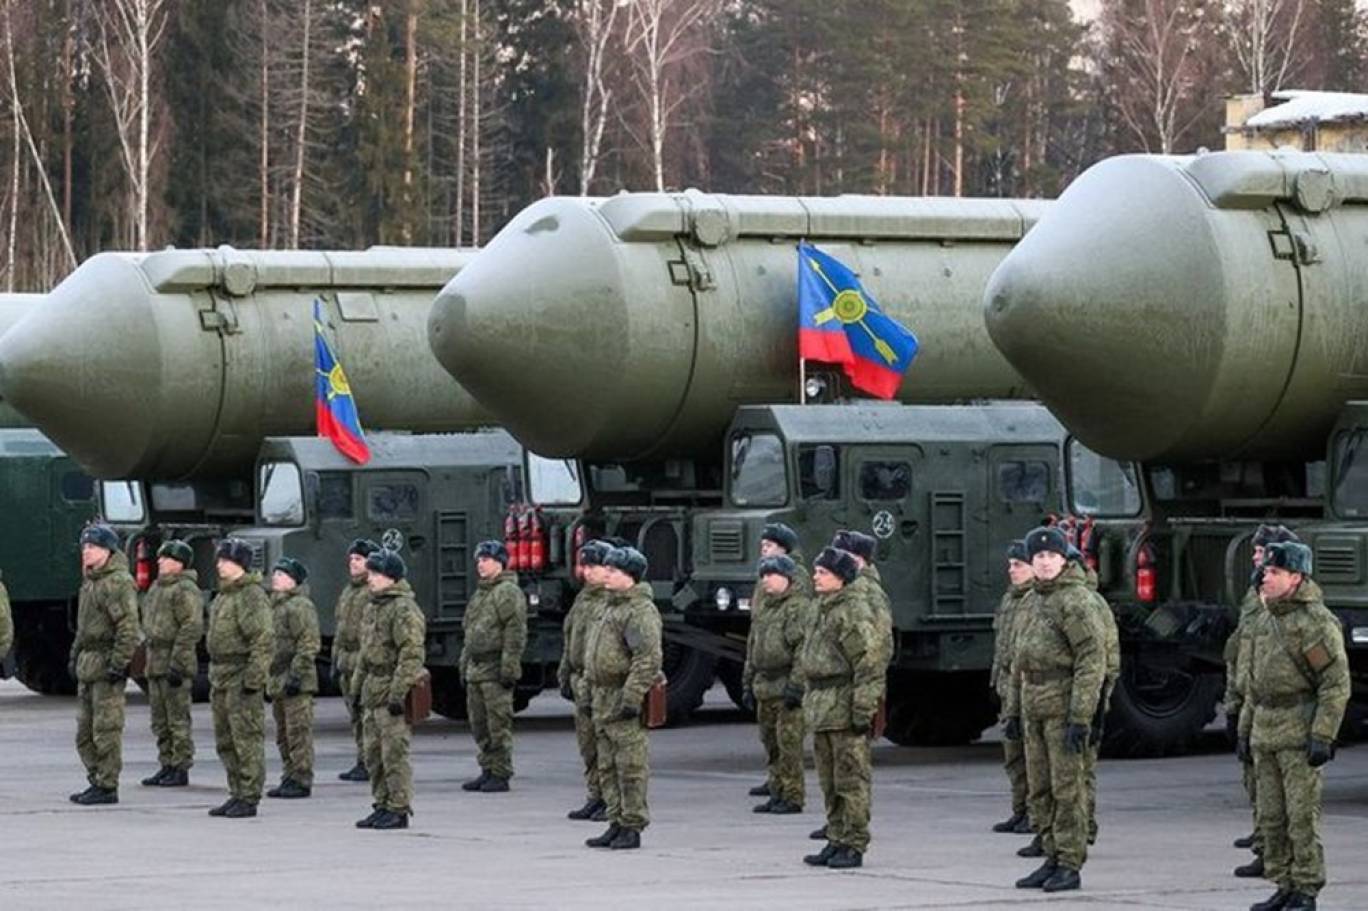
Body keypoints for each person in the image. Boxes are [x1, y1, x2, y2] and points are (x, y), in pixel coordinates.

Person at [1239, 541, 1349, 911]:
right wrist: (1245, 730)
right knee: (1271, 817)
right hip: (1265, 730)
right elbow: (1254, 683)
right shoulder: (1264, 618)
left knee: (1301, 817)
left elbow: (1334, 683)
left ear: (1296, 578)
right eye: (1266, 571)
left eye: (1275, 572)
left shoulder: (1313, 623)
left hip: (1297, 732)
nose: (1265, 577)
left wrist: (1323, 734)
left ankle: (1306, 888)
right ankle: (1284, 883)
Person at [1009, 526, 1104, 893]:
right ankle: (1050, 854)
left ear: (1064, 560)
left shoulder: (1075, 601)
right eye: (1039, 556)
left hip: (1062, 704)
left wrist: (1081, 716)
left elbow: (1090, 660)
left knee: (1067, 789)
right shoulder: (1030, 601)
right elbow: (1019, 661)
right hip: (1033, 703)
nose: (1045, 562)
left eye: (1051, 556)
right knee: (1040, 788)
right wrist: (1014, 712)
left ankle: (1069, 862)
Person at [798, 547, 883, 870]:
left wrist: (862, 709)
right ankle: (836, 837)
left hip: (843, 703)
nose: (816, 577)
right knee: (829, 781)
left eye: (823, 572)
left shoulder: (852, 612)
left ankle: (854, 842)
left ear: (841, 577)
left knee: (851, 779)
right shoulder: (820, 608)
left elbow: (868, 663)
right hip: (822, 706)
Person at [1229, 524, 1299, 877]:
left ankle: (1273, 851)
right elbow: (1243, 645)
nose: (1256, 558)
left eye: (1262, 552)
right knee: (1255, 777)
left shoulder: (1289, 603)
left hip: (1277, 705)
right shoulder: (1255, 592)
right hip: (1250, 693)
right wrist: (1234, 697)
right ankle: (1264, 840)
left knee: (1277, 788)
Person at [583, 545, 662, 851]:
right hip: (602, 694)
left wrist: (632, 697)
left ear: (630, 576)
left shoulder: (638, 611)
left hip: (621, 693)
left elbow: (647, 658)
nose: (607, 574)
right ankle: (615, 820)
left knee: (630, 766)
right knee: (607, 764)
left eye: (613, 570)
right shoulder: (608, 607)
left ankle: (632, 824)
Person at [353, 548, 426, 831]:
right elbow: (365, 652)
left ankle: (398, 807)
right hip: (373, 688)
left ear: (391, 577)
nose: (369, 578)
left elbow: (411, 653)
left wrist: (398, 693)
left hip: (390, 687)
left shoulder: (403, 609)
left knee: (394, 753)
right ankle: (381, 803)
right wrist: (358, 686)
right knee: (373, 754)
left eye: (376, 573)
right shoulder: (373, 607)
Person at [68, 524, 140, 806]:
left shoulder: (117, 583)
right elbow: (84, 628)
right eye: (84, 547)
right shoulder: (91, 582)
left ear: (108, 551)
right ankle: (96, 778)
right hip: (89, 664)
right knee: (84, 733)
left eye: (93, 547)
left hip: (106, 663)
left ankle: (108, 784)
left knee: (106, 730)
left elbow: (127, 626)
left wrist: (119, 663)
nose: (86, 552)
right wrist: (75, 656)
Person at [205, 538, 272, 819]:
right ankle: (236, 792)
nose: (220, 566)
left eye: (226, 561)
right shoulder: (224, 595)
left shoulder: (250, 595)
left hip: (240, 674)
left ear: (240, 564)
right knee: (226, 739)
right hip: (221, 675)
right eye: (219, 560)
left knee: (246, 738)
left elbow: (262, 639)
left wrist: (253, 679)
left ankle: (249, 795)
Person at [741, 553, 812, 814]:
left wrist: (797, 685)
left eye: (772, 575)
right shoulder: (765, 609)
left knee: (788, 745)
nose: (766, 580)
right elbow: (752, 648)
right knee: (771, 743)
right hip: (765, 685)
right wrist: (748, 682)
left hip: (785, 685)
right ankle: (776, 790)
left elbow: (802, 650)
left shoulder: (796, 609)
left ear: (787, 578)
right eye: (764, 575)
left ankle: (793, 795)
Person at [458, 540, 529, 793]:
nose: (480, 564)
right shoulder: (482, 593)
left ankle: (500, 772)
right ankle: (487, 768)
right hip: (477, 669)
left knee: (498, 724)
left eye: (486, 560)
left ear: (500, 562)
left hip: (494, 668)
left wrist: (509, 667)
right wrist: (464, 663)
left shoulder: (507, 592)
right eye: (479, 560)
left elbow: (515, 632)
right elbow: (470, 632)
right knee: (480, 724)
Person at [139, 540, 203, 788]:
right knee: (160, 719)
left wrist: (178, 662)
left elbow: (191, 627)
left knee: (177, 718)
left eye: (166, 558)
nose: (160, 562)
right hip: (155, 660)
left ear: (180, 563)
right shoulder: (157, 588)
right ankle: (166, 763)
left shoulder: (185, 589)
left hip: (173, 659)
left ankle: (180, 766)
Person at [558, 539, 613, 821]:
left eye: (594, 566)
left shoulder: (610, 601)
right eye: (585, 566)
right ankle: (595, 795)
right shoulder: (583, 599)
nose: (587, 572)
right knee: (588, 744)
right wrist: (565, 672)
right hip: (581, 680)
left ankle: (611, 800)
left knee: (606, 746)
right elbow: (572, 638)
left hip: (600, 681)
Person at [266, 557, 321, 799]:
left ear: (294, 580)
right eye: (275, 573)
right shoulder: (276, 606)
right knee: (283, 733)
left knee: (298, 731)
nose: (275, 578)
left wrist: (297, 675)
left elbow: (308, 643)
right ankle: (289, 774)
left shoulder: (299, 606)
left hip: (296, 680)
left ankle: (301, 777)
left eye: (282, 574)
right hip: (279, 678)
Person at [991, 540, 1034, 835]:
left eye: (1018, 565)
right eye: (1010, 565)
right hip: (1009, 689)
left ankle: (1035, 813)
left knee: (1034, 758)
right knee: (1014, 755)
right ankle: (1020, 810)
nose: (1012, 570)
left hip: (1029, 689)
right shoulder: (1011, 599)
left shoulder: (1035, 600)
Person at [333, 538, 380, 782]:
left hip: (364, 662)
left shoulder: (373, 592)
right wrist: (335, 659)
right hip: (347, 661)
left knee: (368, 716)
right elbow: (341, 628)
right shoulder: (349, 591)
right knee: (356, 716)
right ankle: (362, 759)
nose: (353, 563)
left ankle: (372, 761)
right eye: (351, 558)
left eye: (359, 559)